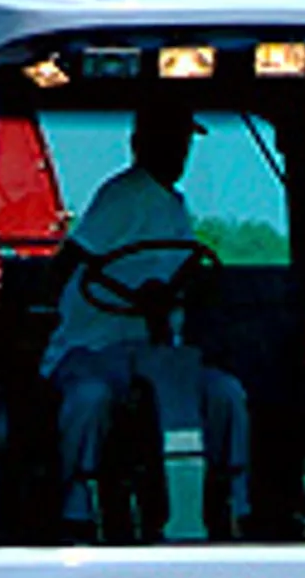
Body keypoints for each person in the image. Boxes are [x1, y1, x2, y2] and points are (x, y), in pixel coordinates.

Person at [44, 107, 250, 541]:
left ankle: (234, 507)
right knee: (89, 398)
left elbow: (180, 268)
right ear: (139, 145)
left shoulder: (175, 204)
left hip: (163, 354)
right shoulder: (122, 195)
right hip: (96, 350)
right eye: (169, 141)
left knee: (225, 394)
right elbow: (72, 260)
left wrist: (180, 290)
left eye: (184, 143)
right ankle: (76, 510)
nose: (180, 152)